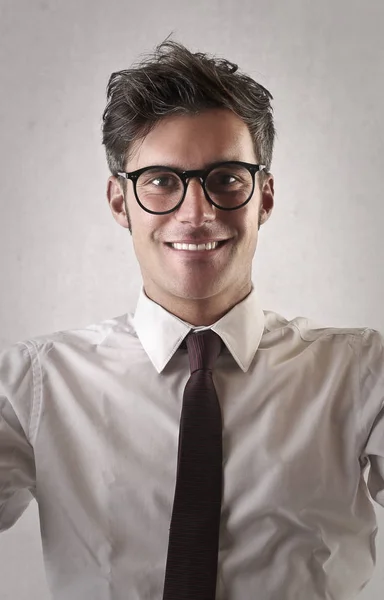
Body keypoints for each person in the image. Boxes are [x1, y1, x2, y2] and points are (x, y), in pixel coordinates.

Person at [0, 39, 383, 600]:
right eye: (161, 181)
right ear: (118, 203)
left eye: (226, 177)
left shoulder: (361, 373)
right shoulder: (34, 384)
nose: (196, 213)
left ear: (265, 197)